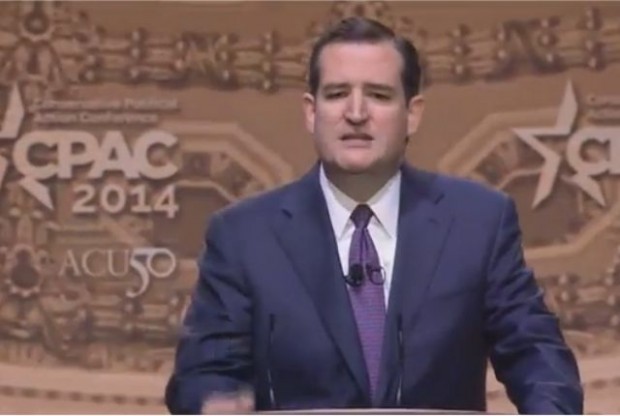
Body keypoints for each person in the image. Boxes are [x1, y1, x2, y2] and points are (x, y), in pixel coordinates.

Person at [165, 16, 583, 414]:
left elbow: (535, 353)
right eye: (337, 94)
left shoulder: (479, 222)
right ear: (311, 112)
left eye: (379, 95)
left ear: (412, 114)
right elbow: (203, 374)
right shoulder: (243, 236)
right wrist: (214, 403)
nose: (356, 113)